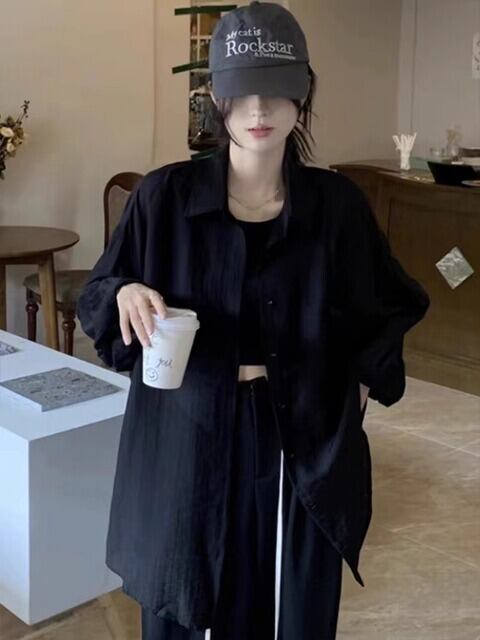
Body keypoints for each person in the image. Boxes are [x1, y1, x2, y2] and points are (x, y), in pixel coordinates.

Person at [77, 2, 430, 639]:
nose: (259, 110)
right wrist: (124, 291)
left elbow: (391, 304)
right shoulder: (163, 198)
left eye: (276, 90)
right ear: (217, 98)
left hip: (299, 432)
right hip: (187, 429)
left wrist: (359, 386)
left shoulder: (337, 207)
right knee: (189, 591)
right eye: (241, 93)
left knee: (288, 601)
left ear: (302, 94)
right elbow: (98, 295)